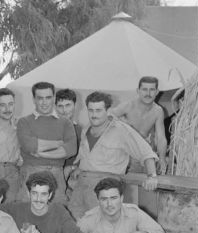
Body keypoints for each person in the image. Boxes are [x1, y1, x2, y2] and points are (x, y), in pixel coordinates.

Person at [68, 92, 159, 220]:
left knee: (102, 230)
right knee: (75, 227)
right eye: (91, 110)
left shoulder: (121, 130)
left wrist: (152, 176)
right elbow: (86, 155)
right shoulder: (86, 129)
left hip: (106, 187)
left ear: (108, 110)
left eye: (99, 110)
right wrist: (78, 168)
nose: (94, 115)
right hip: (81, 187)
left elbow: (146, 152)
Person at [17, 81, 77, 204]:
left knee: (56, 216)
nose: (44, 102)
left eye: (48, 98)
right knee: (27, 215)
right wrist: (59, 144)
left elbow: (71, 149)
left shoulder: (66, 123)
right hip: (30, 173)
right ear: (34, 99)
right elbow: (29, 145)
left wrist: (42, 154)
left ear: (54, 98)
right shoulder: (24, 122)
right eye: (40, 98)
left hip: (57, 175)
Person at [109, 76, 168, 175]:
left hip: (145, 153)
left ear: (157, 92)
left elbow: (161, 138)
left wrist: (162, 159)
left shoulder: (158, 111)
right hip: (126, 154)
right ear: (138, 91)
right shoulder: (128, 106)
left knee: (149, 184)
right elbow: (108, 117)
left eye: (152, 90)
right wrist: (123, 126)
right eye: (144, 89)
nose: (148, 94)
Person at [55, 88, 83, 183]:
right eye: (60, 106)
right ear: (55, 107)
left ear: (75, 105)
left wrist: (71, 168)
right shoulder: (47, 129)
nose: (64, 110)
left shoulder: (80, 130)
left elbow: (85, 157)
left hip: (72, 177)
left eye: (68, 105)